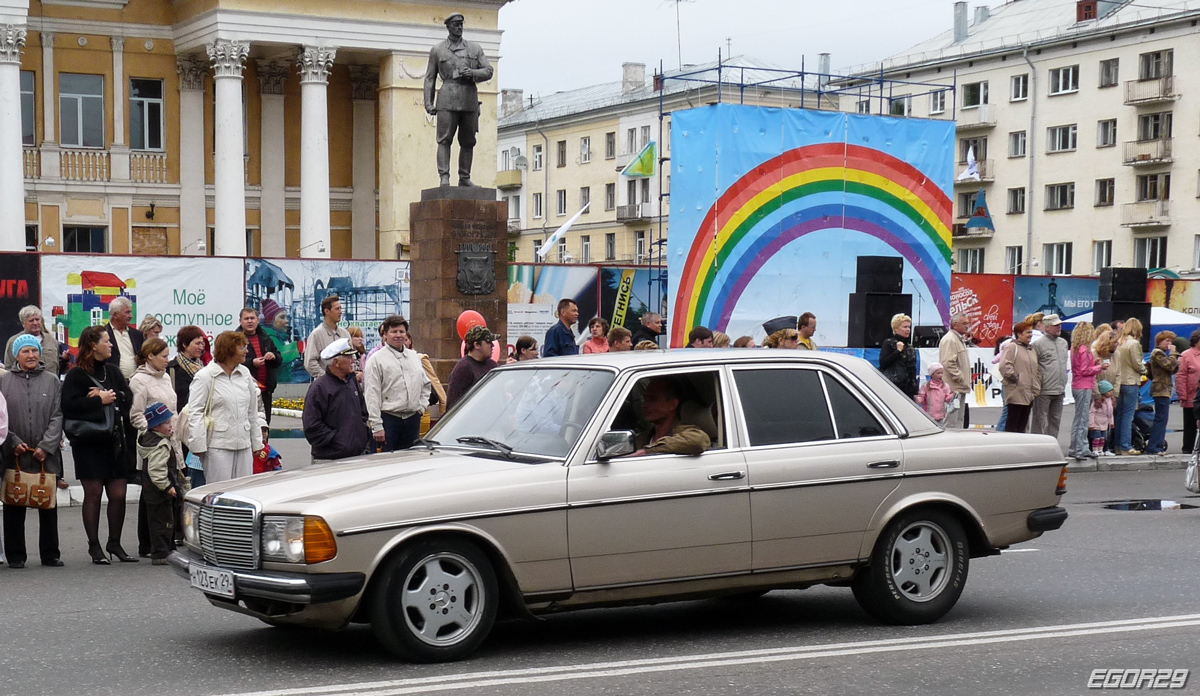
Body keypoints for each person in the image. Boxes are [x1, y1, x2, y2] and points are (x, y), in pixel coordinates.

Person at [61, 326, 137, 564]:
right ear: (93, 345)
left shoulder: (113, 372)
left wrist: (108, 395)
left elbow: (127, 398)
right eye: (107, 341)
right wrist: (95, 401)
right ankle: (94, 546)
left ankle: (114, 542)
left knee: (119, 493)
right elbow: (69, 406)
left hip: (115, 441)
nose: (111, 344)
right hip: (89, 443)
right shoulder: (77, 375)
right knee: (93, 494)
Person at [1, 335, 65, 568]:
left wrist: (46, 446)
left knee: (47, 503)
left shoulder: (52, 381)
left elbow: (58, 415)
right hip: (15, 452)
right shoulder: (4, 381)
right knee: (14, 504)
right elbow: (1, 418)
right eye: (25, 351)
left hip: (44, 454)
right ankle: (16, 556)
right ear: (16, 355)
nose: (31, 355)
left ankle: (51, 554)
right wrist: (13, 441)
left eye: (34, 351)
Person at [424, 12, 493, 187]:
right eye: (455, 24)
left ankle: (464, 177)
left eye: (461, 24)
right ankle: (444, 177)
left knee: (468, 141)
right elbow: (430, 78)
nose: (459, 27)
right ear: (448, 27)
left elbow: (488, 70)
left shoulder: (474, 49)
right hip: (447, 98)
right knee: (444, 139)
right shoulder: (438, 50)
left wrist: (473, 73)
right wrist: (428, 103)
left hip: (469, 98)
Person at [129, 338, 183, 558]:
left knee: (167, 492)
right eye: (163, 356)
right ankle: (149, 544)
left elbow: (172, 409)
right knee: (152, 496)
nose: (167, 359)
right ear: (150, 356)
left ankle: (166, 542)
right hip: (154, 444)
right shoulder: (139, 381)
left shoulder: (166, 378)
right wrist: (155, 430)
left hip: (171, 440)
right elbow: (135, 415)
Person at [187, 331, 264, 483]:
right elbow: (195, 412)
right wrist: (198, 446)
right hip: (217, 447)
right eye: (242, 348)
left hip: (244, 445)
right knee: (219, 494)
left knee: (243, 493)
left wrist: (257, 443)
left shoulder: (245, 373)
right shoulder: (205, 376)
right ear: (229, 351)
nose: (246, 351)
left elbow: (252, 412)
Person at [364, 316, 432, 453]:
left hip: (412, 419)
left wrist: (422, 407)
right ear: (385, 335)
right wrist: (377, 425)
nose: (398, 335)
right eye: (394, 332)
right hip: (388, 420)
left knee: (409, 462)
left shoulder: (414, 357)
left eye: (401, 332)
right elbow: (372, 394)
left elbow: (425, 385)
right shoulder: (376, 360)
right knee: (385, 464)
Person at [303, 338, 372, 463]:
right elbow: (312, 425)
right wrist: (337, 440)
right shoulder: (319, 388)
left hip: (356, 455)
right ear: (336, 362)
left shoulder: (352, 382)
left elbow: (362, 413)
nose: (354, 360)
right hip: (329, 459)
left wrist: (362, 435)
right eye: (349, 357)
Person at [136, 402, 186, 565]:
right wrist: (167, 487)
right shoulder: (159, 445)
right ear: (156, 427)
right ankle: (160, 553)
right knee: (162, 523)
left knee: (161, 521)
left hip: (153, 491)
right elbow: (157, 470)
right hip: (159, 491)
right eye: (166, 423)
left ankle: (165, 549)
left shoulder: (153, 440)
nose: (170, 426)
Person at [630, 378, 711, 456]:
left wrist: (649, 451)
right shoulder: (642, 438)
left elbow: (698, 441)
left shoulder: (687, 434)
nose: (644, 405)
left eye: (652, 399)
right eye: (645, 399)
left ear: (673, 404)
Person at [168, 326, 207, 485]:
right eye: (197, 343)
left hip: (199, 425)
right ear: (184, 344)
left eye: (202, 343)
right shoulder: (172, 369)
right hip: (180, 427)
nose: (201, 347)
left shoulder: (204, 368)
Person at [1068, 322, 1107, 461]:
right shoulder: (1085, 349)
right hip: (1084, 385)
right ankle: (1080, 448)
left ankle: (1077, 447)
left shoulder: (1076, 348)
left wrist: (1094, 364)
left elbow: (1081, 367)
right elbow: (1084, 370)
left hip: (1078, 384)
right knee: (1082, 419)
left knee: (1080, 418)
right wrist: (1099, 368)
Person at [239, 308, 282, 425]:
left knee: (264, 427)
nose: (249, 321)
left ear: (258, 320)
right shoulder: (235, 340)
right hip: (245, 392)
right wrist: (252, 363)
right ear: (240, 321)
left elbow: (279, 359)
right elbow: (233, 362)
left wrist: (273, 356)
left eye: (252, 318)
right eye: (246, 319)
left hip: (265, 391)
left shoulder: (265, 337)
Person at [1031, 314, 1070, 438]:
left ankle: (1052, 443)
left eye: (1059, 325)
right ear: (1047, 327)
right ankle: (1037, 445)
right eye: (1055, 325)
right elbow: (1034, 367)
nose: (1059, 327)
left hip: (1059, 389)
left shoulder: (1063, 343)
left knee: (1055, 420)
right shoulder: (1038, 344)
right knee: (1040, 419)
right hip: (1044, 389)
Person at [998, 321, 1041, 434]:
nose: (1030, 335)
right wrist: (1016, 378)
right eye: (1028, 332)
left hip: (1028, 393)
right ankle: (1008, 448)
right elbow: (1004, 366)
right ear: (1019, 334)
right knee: (1012, 425)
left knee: (1022, 425)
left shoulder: (1031, 350)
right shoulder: (1012, 347)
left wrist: (1036, 386)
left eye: (1031, 332)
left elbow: (1036, 370)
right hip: (1016, 392)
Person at [1113, 319, 1147, 455]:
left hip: (1119, 381)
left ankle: (1117, 444)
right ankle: (1125, 445)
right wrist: (1145, 370)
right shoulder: (1134, 343)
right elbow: (1137, 364)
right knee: (1128, 415)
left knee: (1119, 415)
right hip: (1131, 381)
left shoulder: (1119, 341)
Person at [447, 325, 500, 410]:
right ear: (477, 345)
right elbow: (453, 404)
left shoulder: (492, 365)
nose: (493, 345)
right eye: (488, 342)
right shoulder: (463, 368)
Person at [4, 305, 64, 375]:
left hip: (50, 384)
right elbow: (9, 369)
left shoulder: (51, 340)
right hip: (24, 384)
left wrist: (65, 360)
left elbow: (59, 368)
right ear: (23, 323)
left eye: (37, 319)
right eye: (31, 320)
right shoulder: (13, 342)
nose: (35, 323)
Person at [1147, 330, 1179, 455]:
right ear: (1159, 341)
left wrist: (1174, 360)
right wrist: (1173, 354)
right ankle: (1154, 446)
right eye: (1167, 341)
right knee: (1160, 419)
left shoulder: (1162, 354)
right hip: (1160, 389)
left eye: (1171, 341)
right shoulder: (1157, 353)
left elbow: (1172, 370)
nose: (1169, 343)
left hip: (1165, 389)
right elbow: (1169, 366)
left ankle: (1158, 445)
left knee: (1163, 419)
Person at [303, 294, 350, 379]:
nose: (340, 312)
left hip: (344, 385)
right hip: (326, 389)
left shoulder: (345, 334)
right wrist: (326, 378)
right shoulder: (316, 334)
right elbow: (309, 363)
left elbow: (352, 358)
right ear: (327, 311)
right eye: (337, 309)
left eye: (340, 308)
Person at [938, 313, 972, 428]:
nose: (967, 326)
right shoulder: (950, 340)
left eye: (967, 323)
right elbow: (948, 362)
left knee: (959, 420)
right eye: (964, 323)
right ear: (955, 325)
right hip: (953, 388)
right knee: (951, 422)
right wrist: (959, 376)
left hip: (958, 387)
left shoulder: (958, 339)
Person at [104, 296, 145, 380]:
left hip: (135, 382)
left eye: (131, 312)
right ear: (115, 315)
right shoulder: (102, 334)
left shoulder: (137, 335)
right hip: (111, 383)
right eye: (127, 312)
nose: (131, 316)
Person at [879, 313, 918, 398]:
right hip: (894, 386)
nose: (908, 329)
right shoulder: (889, 343)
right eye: (905, 327)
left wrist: (915, 389)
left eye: (909, 327)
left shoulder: (910, 346)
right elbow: (883, 363)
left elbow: (912, 368)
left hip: (909, 389)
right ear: (896, 329)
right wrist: (897, 351)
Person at [1176, 330, 1200, 454]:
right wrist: (1182, 394)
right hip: (1191, 394)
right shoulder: (1186, 355)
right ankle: (1188, 448)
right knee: (1190, 424)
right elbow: (1180, 376)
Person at [1089, 381, 1116, 457]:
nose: (1111, 392)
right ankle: (1095, 450)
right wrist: (1091, 424)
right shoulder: (1098, 402)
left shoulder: (1110, 400)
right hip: (1096, 423)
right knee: (1096, 437)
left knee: (1103, 438)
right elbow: (1092, 413)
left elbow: (1110, 413)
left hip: (1105, 423)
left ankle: (1101, 450)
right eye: (1109, 391)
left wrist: (1111, 422)